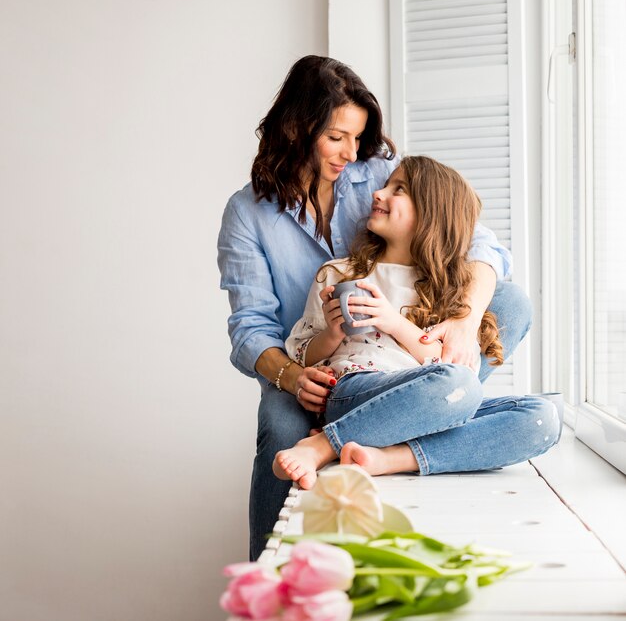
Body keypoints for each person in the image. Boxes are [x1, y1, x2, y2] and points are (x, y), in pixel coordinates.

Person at [218, 55, 531, 561]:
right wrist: (295, 377)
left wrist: (465, 319)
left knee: (510, 303)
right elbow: (250, 329)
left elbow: (480, 245)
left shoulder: (381, 176)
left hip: (409, 359)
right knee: (281, 429)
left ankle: (401, 433)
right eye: (337, 137)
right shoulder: (247, 214)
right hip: (316, 367)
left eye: (358, 138)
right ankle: (266, 573)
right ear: (298, 126)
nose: (351, 153)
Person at [273, 156, 561, 489]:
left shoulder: (448, 290)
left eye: (399, 190)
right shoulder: (339, 273)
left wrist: (393, 321)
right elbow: (301, 353)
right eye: (384, 186)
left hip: (425, 403)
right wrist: (333, 333)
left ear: (431, 214)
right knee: (462, 386)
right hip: (356, 389)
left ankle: (391, 458)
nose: (378, 194)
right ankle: (322, 445)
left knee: (542, 418)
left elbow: (441, 363)